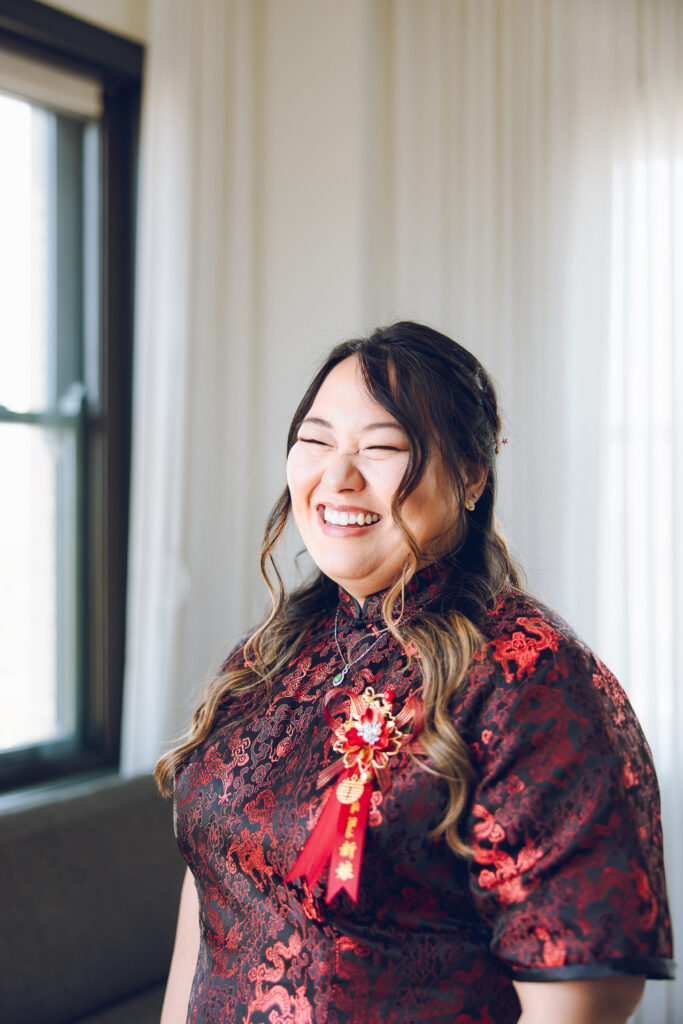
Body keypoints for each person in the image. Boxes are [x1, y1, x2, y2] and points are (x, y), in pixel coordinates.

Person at [156, 322, 674, 1024]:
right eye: (315, 441)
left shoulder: (529, 675)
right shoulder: (267, 655)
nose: (337, 477)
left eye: (381, 447)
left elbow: (585, 999)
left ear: (470, 475)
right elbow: (213, 889)